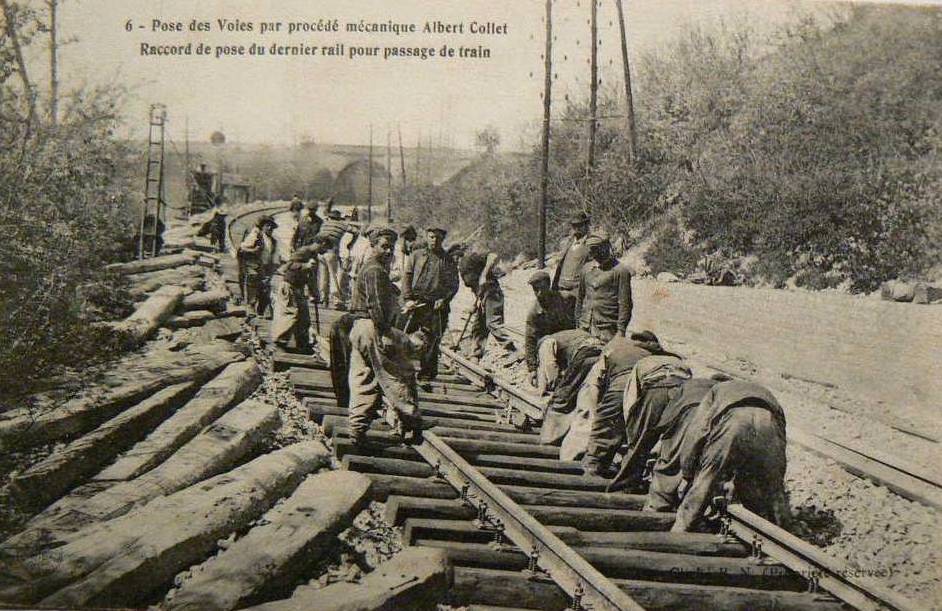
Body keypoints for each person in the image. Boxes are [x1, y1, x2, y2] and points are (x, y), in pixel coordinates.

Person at [649, 380, 790, 533]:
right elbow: (781, 431)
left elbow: (698, 431)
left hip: (734, 421)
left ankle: (681, 529)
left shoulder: (716, 390)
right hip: (769, 422)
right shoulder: (763, 390)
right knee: (772, 490)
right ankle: (779, 532)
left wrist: (688, 472)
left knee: (707, 479)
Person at [347, 227, 426, 446]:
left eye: (391, 247)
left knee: (363, 380)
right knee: (398, 374)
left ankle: (356, 430)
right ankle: (411, 422)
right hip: (373, 328)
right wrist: (384, 333)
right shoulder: (375, 270)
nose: (388, 251)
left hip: (360, 328)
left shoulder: (372, 268)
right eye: (383, 246)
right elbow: (375, 304)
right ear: (373, 246)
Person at [560, 331, 671, 472]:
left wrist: (595, 412)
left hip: (620, 388)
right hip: (649, 393)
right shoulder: (652, 355)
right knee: (634, 432)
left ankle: (591, 466)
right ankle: (623, 466)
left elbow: (594, 383)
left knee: (603, 428)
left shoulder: (616, 348)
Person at [605, 354, 696, 493]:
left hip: (657, 390)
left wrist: (632, 432)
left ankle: (624, 485)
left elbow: (631, 398)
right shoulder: (682, 364)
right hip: (683, 392)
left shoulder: (642, 362)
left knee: (640, 441)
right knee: (672, 441)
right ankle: (662, 489)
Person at [401, 227, 460, 381]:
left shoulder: (447, 260)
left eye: (438, 238)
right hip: (415, 302)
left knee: (432, 341)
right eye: (432, 237)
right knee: (402, 335)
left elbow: (454, 284)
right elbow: (407, 277)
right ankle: (401, 369)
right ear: (427, 237)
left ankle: (425, 376)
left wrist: (444, 299)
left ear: (442, 240)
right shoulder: (416, 255)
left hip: (435, 306)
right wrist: (407, 299)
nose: (434, 241)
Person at [538, 328, 604, 446]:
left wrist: (555, 388)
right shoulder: (571, 335)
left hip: (586, 353)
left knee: (561, 398)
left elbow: (550, 366)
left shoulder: (546, 342)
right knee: (587, 395)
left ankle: (550, 437)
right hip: (603, 352)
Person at [273, 237, 332, 353]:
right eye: (326, 248)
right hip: (289, 286)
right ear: (322, 243)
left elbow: (311, 277)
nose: (325, 251)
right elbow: (287, 266)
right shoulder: (304, 251)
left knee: (304, 317)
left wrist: (314, 293)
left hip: (299, 288)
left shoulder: (314, 256)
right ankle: (280, 342)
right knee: (290, 314)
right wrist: (305, 266)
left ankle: (303, 344)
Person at [457, 246, 516, 359]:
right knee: (478, 326)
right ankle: (476, 354)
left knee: (492, 323)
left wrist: (484, 275)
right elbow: (475, 286)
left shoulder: (470, 258)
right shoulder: (461, 270)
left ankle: (513, 350)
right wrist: (476, 302)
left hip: (492, 292)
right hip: (482, 296)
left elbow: (492, 256)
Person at [576, 234, 633, 343]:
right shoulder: (586, 269)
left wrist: (621, 331)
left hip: (607, 329)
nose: (593, 253)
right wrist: (578, 322)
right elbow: (580, 298)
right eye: (591, 249)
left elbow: (625, 304)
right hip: (585, 326)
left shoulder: (620, 271)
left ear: (606, 247)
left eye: (596, 248)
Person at [524, 270, 575, 390]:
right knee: (550, 380)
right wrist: (532, 369)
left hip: (569, 342)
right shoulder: (534, 312)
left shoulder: (566, 299)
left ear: (549, 286)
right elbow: (530, 341)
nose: (539, 293)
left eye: (542, 289)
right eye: (535, 290)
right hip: (548, 349)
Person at [551, 211, 592, 318]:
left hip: (578, 291)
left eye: (580, 225)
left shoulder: (591, 244)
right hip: (562, 289)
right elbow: (560, 265)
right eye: (574, 226)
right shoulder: (567, 243)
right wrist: (554, 288)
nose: (577, 228)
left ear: (586, 225)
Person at [239, 215, 280, 317]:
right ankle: (251, 307)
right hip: (254, 265)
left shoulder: (274, 242)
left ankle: (262, 310)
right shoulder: (256, 235)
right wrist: (253, 250)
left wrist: (271, 272)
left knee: (265, 289)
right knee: (252, 284)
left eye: (271, 227)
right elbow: (242, 247)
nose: (269, 228)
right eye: (267, 225)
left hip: (266, 267)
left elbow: (275, 259)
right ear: (263, 226)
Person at [317, 209, 355, 308]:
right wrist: (351, 243)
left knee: (323, 276)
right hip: (332, 252)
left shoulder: (324, 224)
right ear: (339, 218)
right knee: (333, 276)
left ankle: (323, 298)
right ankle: (336, 300)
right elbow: (356, 231)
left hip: (320, 252)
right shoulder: (341, 225)